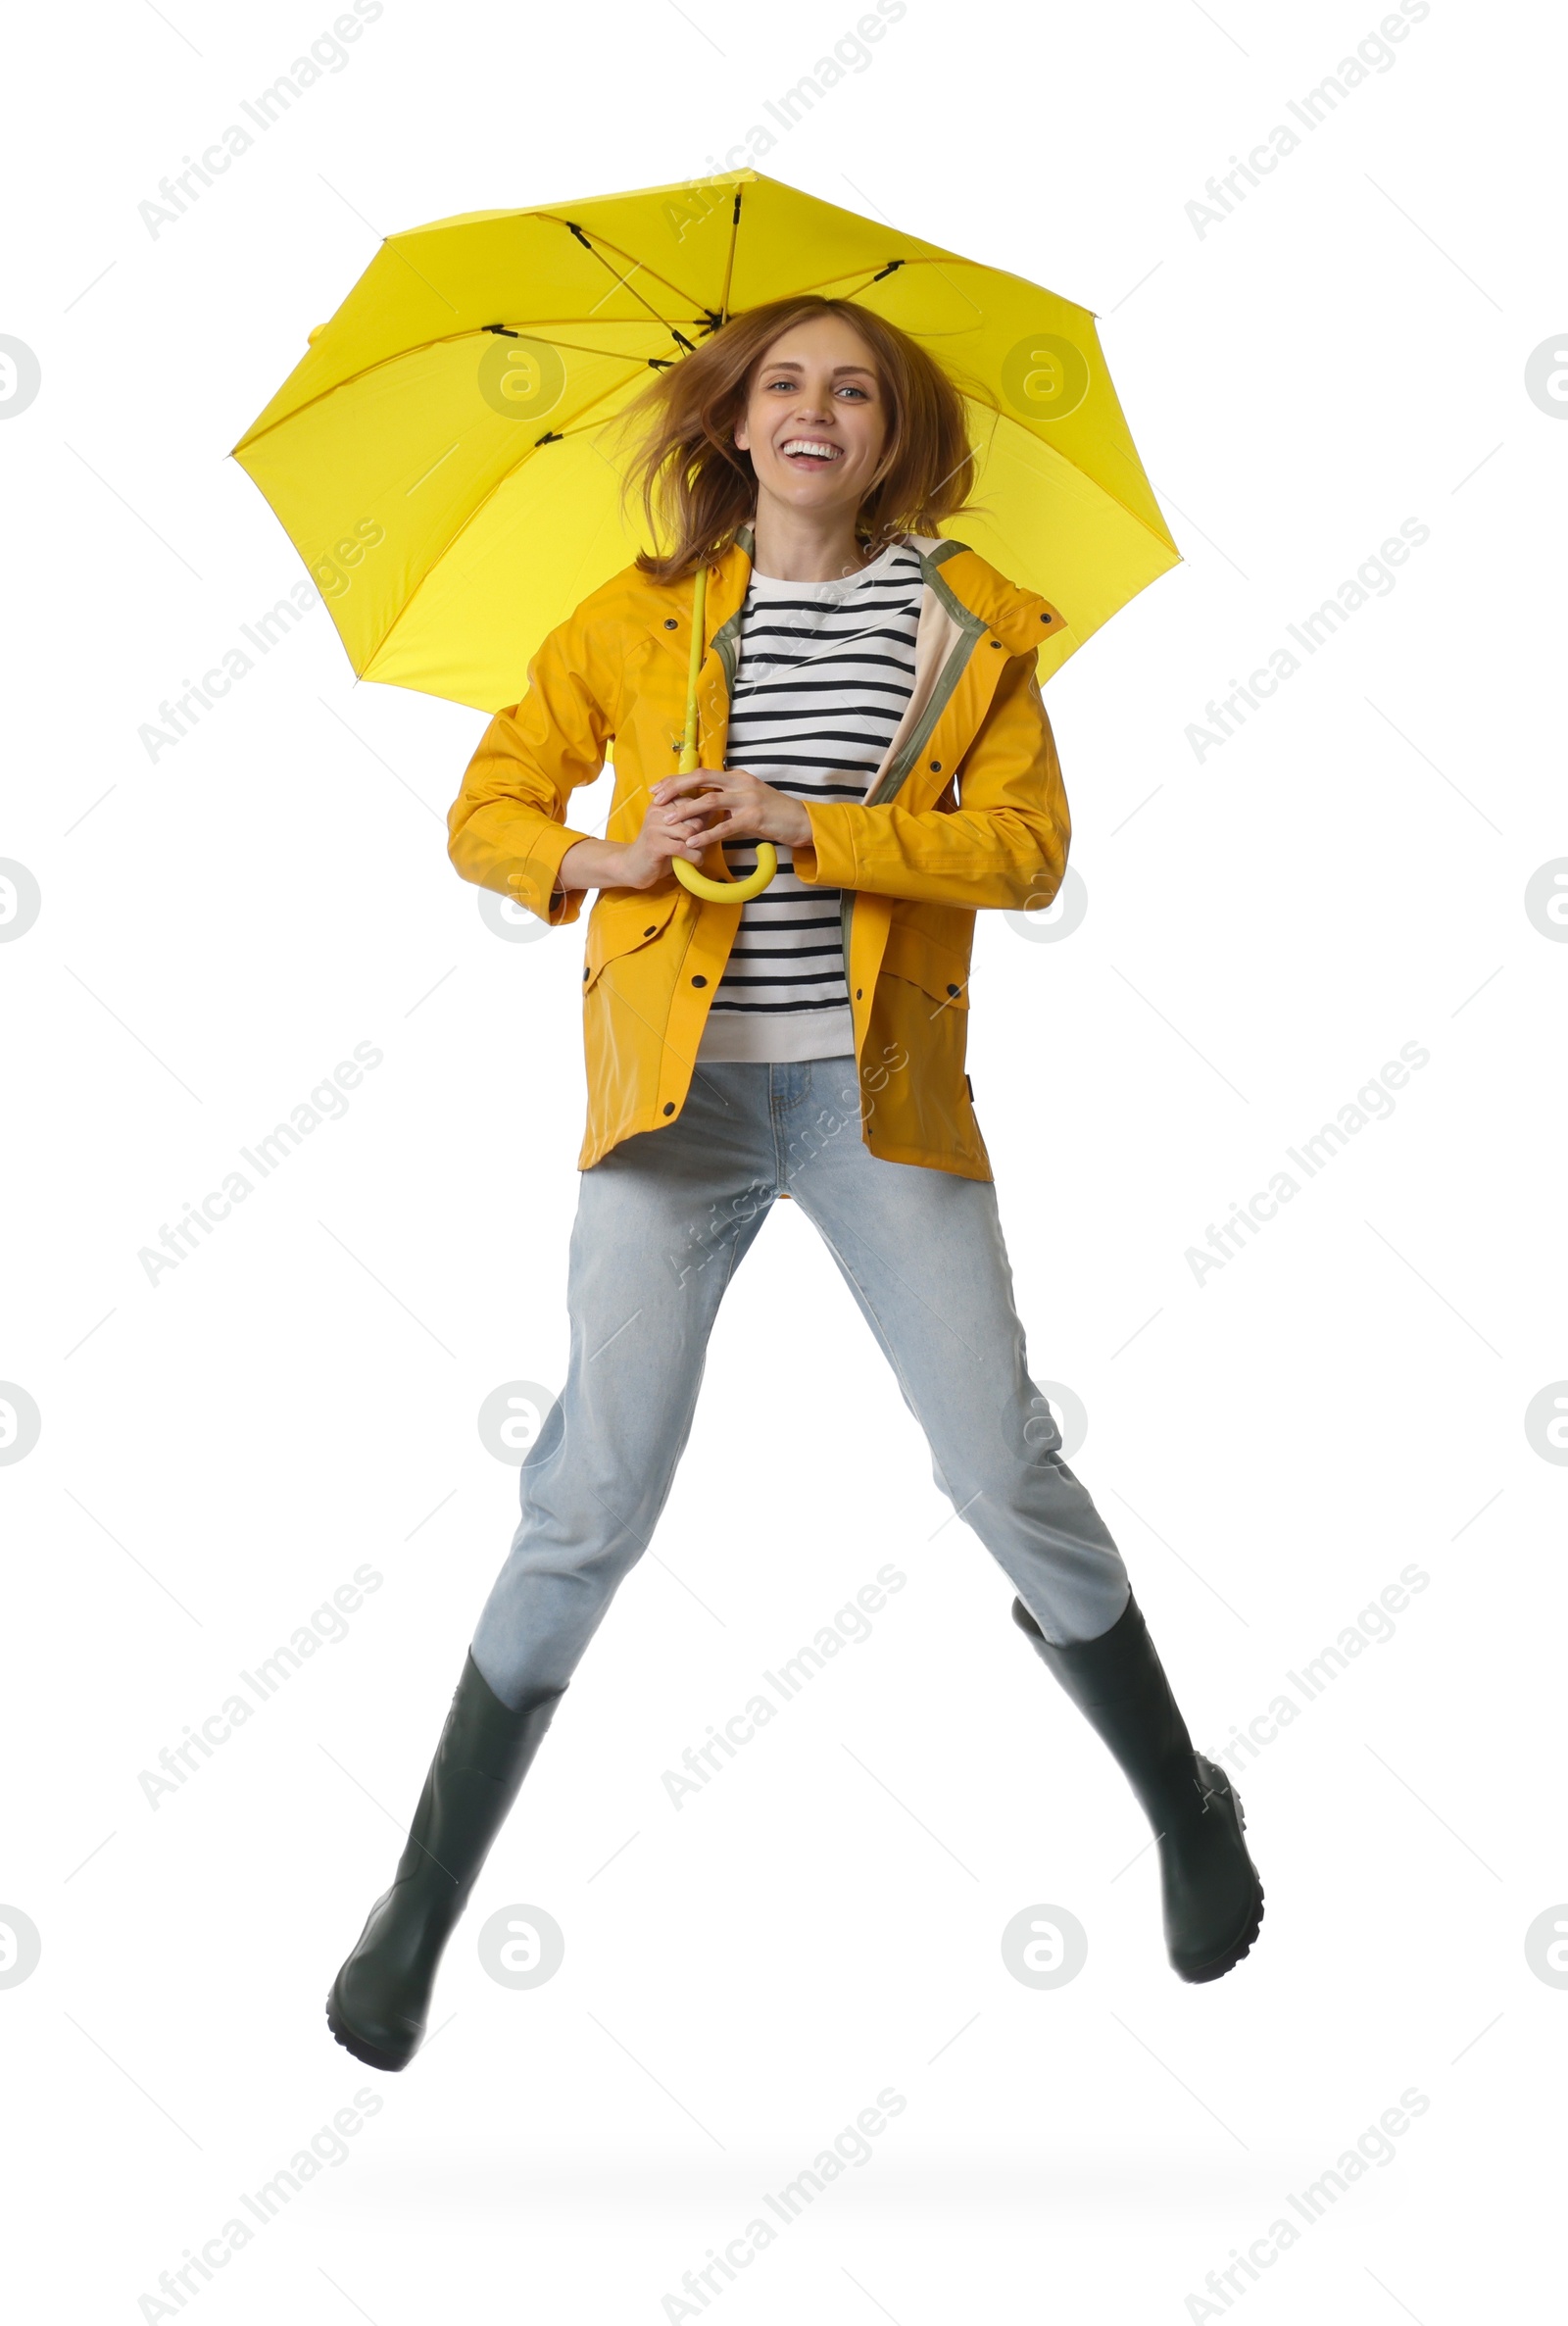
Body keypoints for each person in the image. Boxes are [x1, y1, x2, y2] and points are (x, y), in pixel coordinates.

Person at [325, 294, 1263, 2074]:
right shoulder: (635, 618)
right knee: (590, 1496)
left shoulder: (968, 624)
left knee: (999, 1457)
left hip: (874, 1094)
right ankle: (419, 1912)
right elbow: (490, 807)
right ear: (734, 426)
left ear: (893, 434)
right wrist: (619, 848)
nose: (817, 408)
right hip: (671, 1109)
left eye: (855, 388)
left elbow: (1029, 850)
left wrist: (809, 821)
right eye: (784, 384)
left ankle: (1185, 1805)